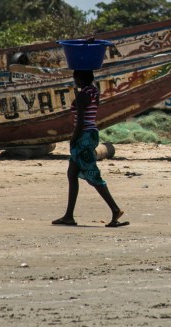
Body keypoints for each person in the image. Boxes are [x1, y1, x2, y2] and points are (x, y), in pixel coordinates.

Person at [53, 70, 126, 228]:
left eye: (75, 79)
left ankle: (115, 209)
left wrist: (73, 139)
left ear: (80, 79)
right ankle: (68, 216)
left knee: (92, 174)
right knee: (72, 173)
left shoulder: (82, 96)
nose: (75, 82)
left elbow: (80, 122)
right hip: (92, 133)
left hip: (83, 135)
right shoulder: (94, 92)